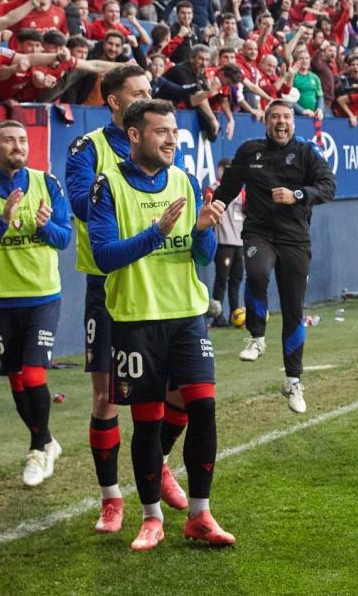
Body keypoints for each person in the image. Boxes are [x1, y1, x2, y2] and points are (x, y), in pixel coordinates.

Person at [88, 98, 233, 551]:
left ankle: (200, 514)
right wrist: (156, 232)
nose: (171, 139)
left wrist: (204, 230)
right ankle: (151, 518)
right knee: (146, 422)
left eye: (174, 132)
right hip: (135, 319)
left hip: (188, 314)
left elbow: (201, 257)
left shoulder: (186, 181)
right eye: (160, 132)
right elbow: (104, 256)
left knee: (202, 408)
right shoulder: (106, 186)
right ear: (134, 135)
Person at [65, 65, 190, 534]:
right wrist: (121, 190)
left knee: (177, 389)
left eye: (150, 90)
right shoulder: (89, 148)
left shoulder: (162, 144)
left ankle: (156, 464)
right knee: (106, 397)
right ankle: (111, 498)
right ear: (115, 103)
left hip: (161, 284)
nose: (147, 96)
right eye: (138, 92)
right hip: (109, 283)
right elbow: (80, 202)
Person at [0, 120, 69, 487]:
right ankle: (48, 441)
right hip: (1, 298)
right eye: (8, 140)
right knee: (17, 378)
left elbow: (64, 238)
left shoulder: (47, 183)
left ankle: (38, 449)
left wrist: (43, 228)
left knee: (35, 373)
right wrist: (2, 222)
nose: (17, 145)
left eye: (22, 139)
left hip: (42, 294)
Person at [213, 100, 337, 414]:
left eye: (286, 117)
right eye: (275, 117)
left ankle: (293, 380)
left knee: (294, 309)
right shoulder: (249, 150)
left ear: (294, 123)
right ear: (266, 121)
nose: (281, 122)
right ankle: (256, 337)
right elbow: (228, 188)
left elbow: (328, 186)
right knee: (256, 273)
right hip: (258, 233)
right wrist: (213, 207)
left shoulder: (307, 152)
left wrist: (297, 195)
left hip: (295, 239)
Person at [207, 158, 245, 327]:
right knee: (222, 279)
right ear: (219, 170)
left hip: (239, 242)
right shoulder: (213, 189)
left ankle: (235, 313)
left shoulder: (241, 191)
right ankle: (217, 316)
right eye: (225, 170)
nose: (228, 173)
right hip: (224, 242)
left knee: (236, 279)